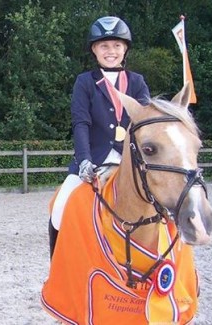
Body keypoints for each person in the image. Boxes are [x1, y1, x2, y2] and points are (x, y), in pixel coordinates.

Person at [48, 16, 151, 257]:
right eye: (104, 46)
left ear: (125, 48)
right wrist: (84, 161)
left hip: (130, 161)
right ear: (94, 50)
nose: (111, 51)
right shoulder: (84, 82)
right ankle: (57, 264)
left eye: (116, 45)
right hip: (93, 161)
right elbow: (81, 123)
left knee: (165, 205)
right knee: (59, 209)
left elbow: (145, 122)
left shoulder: (137, 82)